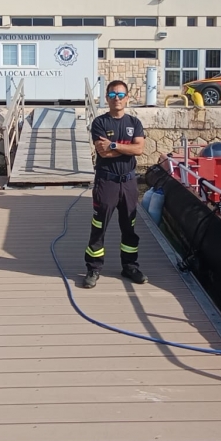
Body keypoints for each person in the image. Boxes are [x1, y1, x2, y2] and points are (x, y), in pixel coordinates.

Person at [81, 80, 147, 288]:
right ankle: (93, 268)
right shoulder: (100, 123)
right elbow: (103, 152)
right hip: (106, 182)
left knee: (129, 227)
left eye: (120, 95)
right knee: (99, 226)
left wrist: (114, 145)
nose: (116, 99)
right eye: (112, 95)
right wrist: (125, 147)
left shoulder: (134, 123)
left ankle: (130, 266)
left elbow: (139, 150)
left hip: (128, 183)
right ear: (107, 98)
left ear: (127, 98)